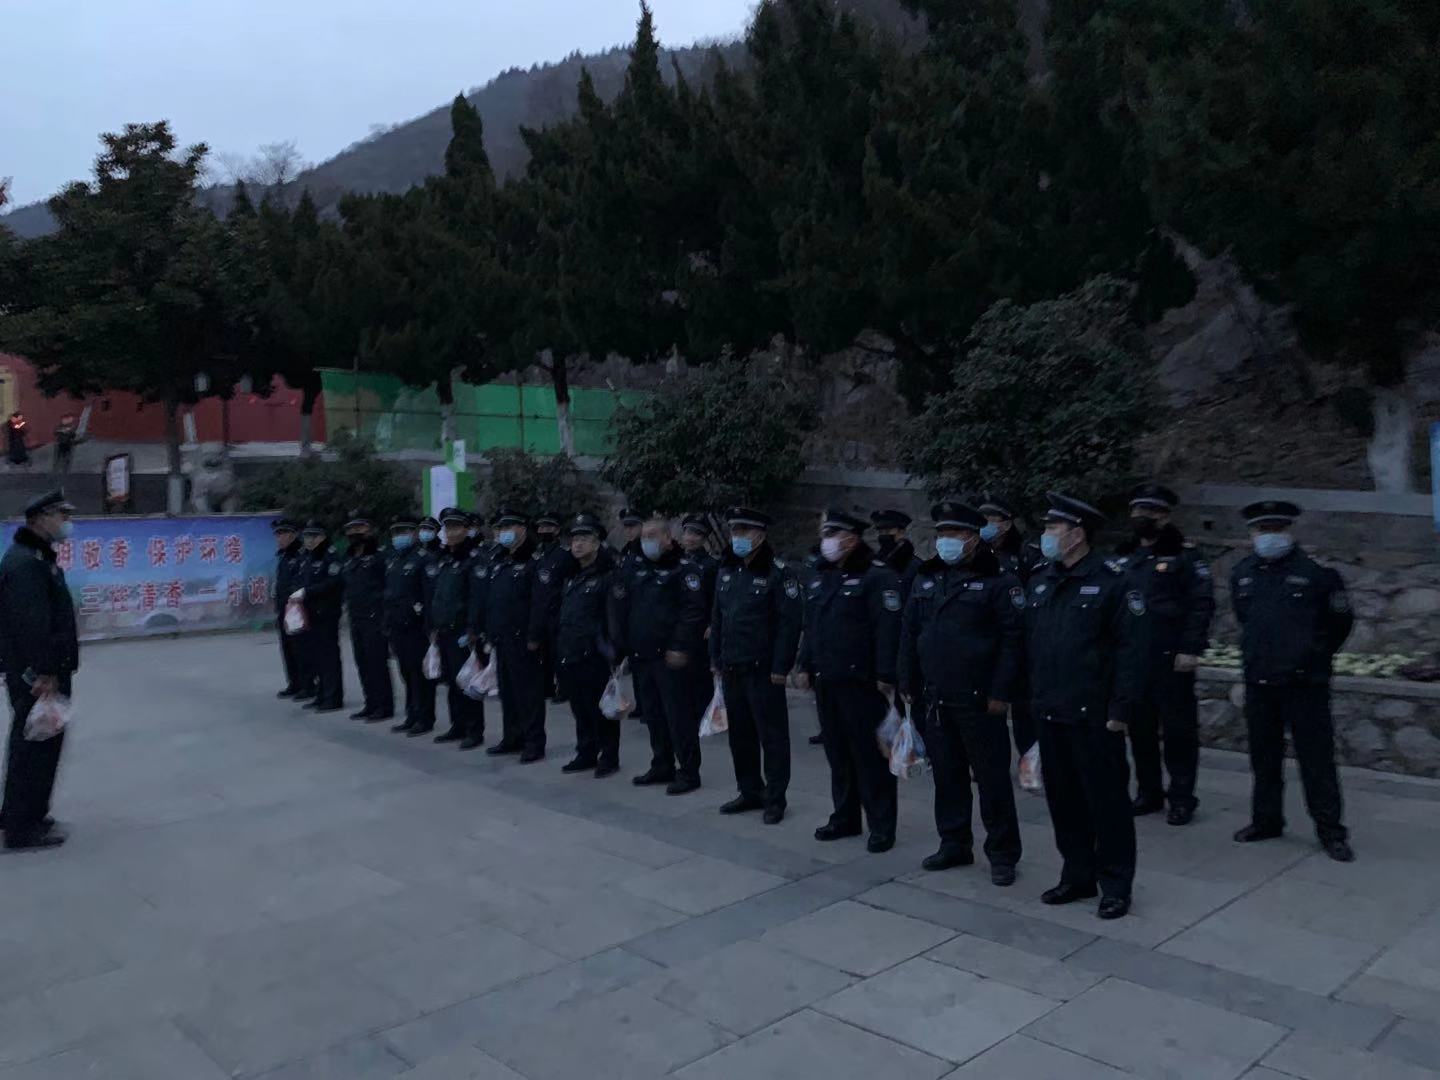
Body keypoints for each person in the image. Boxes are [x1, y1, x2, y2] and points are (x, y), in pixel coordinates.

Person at [1025, 492, 1146, 920]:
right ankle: (1077, 875)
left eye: (1052, 528)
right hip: (1051, 710)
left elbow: (1133, 651)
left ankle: (1115, 884)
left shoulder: (1114, 581)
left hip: (1095, 716)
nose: (1045, 535)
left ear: (1077, 535)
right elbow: (1032, 645)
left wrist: (1121, 710)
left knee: (1107, 804)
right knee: (1064, 802)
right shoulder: (1042, 580)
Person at [899, 501, 1025, 884]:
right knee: (947, 776)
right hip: (936, 697)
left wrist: (1001, 692)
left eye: (953, 534)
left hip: (979, 699)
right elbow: (910, 632)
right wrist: (907, 680)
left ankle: (1002, 853)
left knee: (991, 779)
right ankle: (954, 842)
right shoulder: (927, 578)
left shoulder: (998, 582)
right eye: (941, 533)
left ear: (972, 538)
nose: (945, 541)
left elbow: (1013, 641)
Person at [1230, 500, 1355, 862]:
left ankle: (1331, 831)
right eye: (1262, 530)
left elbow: (1340, 623)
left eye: (1276, 529)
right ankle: (1266, 820)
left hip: (1305, 684)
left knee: (1317, 761)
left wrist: (1313, 656)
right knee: (1264, 759)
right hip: (1260, 682)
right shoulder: (1242, 573)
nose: (1269, 536)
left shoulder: (1318, 575)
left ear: (1289, 531)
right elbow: (1246, 621)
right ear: (1251, 533)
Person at [797, 509, 902, 853]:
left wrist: (886, 675)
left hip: (862, 682)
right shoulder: (822, 575)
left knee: (869, 755)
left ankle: (881, 824)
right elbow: (812, 625)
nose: (826, 541)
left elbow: (887, 630)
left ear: (852, 539)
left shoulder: (877, 577)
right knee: (837, 753)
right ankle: (845, 816)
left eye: (833, 534)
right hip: (827, 678)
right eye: (825, 534)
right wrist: (804, 664)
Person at [1116, 483, 1215, 825]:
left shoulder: (1185, 556)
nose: (1142, 517)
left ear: (1164, 516)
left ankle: (1182, 797)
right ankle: (1149, 792)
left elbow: (1201, 604)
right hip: (1134, 658)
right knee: (1139, 730)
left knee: (1178, 731)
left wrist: (1190, 648)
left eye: (1150, 511)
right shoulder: (1125, 556)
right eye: (1138, 510)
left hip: (1171, 657)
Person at [710, 507, 803, 824]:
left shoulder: (779, 574)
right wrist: (715, 658)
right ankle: (749, 790)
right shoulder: (728, 570)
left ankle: (775, 798)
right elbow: (718, 618)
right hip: (732, 667)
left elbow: (789, 625)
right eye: (734, 531)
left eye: (744, 531)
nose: (737, 537)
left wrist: (781, 666)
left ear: (760, 536)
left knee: (772, 737)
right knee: (740, 736)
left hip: (763, 670)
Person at [0, 491, 79, 850]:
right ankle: (22, 828)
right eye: (61, 515)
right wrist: (45, 673)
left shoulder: (36, 558)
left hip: (41, 670)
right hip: (37, 675)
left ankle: (25, 813)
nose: (66, 522)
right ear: (40, 518)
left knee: (37, 742)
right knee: (35, 746)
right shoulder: (26, 564)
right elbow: (32, 625)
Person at [612, 514, 711, 795]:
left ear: (668, 538)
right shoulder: (636, 568)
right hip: (642, 655)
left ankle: (688, 771)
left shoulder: (685, 570)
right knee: (653, 715)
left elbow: (693, 612)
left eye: (653, 536)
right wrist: (622, 646)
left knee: (678, 716)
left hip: (670, 657)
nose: (647, 542)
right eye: (644, 537)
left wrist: (680, 646)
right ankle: (662, 764)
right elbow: (624, 606)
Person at [476, 506, 548, 762]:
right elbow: (492, 600)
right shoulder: (499, 559)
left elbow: (540, 604)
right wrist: (488, 632)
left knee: (528, 694)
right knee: (508, 692)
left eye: (509, 527)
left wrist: (534, 637)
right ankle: (512, 736)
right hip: (501, 637)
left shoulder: (534, 562)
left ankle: (534, 742)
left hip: (524, 639)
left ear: (522, 529)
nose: (504, 532)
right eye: (501, 528)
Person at [978, 494, 1042, 771]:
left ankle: (1030, 763)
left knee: (1024, 710)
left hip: (1020, 642)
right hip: (988, 643)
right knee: (990, 709)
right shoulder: (979, 553)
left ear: (1005, 524)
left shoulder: (1026, 554)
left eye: (990, 520)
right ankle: (991, 763)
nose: (985, 526)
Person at [555, 513, 621, 777]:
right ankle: (586, 751)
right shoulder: (572, 576)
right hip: (571, 652)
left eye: (584, 539)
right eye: (575, 539)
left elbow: (613, 619)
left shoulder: (607, 576)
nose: (578, 544)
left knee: (602, 708)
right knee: (580, 708)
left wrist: (613, 652)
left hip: (595, 654)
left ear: (597, 543)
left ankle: (609, 756)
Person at [428, 508, 483, 749]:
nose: (450, 532)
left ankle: (474, 729)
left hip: (462, 631)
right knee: (451, 681)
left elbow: (476, 598)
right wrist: (434, 626)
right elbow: (438, 596)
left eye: (455, 527)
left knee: (467, 681)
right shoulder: (445, 558)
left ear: (466, 530)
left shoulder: (473, 560)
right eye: (447, 528)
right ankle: (457, 725)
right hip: (444, 629)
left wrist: (472, 629)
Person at [384, 513, 437, 737]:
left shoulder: (424, 559)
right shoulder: (393, 559)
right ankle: (412, 715)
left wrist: (430, 627)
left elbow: (429, 596)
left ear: (414, 533)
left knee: (419, 674)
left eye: (404, 531)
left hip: (416, 627)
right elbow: (390, 594)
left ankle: (425, 718)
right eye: (396, 532)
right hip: (397, 625)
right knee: (406, 672)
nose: (399, 536)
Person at [342, 511, 394, 723]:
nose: (355, 532)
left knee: (377, 662)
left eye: (360, 527)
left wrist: (382, 612)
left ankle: (384, 705)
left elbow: (387, 587)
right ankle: (370, 702)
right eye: (351, 529)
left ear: (369, 530)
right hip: (356, 617)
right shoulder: (351, 557)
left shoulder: (380, 556)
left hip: (375, 617)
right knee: (362, 661)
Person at [295, 522, 345, 713]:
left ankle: (333, 697)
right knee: (317, 656)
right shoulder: (309, 557)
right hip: (311, 614)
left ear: (322, 537)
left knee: (328, 656)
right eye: (306, 537)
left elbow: (332, 584)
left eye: (312, 537)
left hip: (326, 613)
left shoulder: (330, 557)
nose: (308, 540)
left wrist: (307, 591)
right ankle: (322, 694)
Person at [534, 511, 574, 703]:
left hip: (557, 610)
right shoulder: (538, 554)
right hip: (540, 610)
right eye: (541, 527)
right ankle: (546, 686)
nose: (544, 530)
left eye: (548, 527)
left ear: (557, 530)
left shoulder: (564, 555)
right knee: (543, 653)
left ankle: (564, 688)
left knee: (558, 653)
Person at [272, 518, 309, 700]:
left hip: (296, 608)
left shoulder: (301, 555)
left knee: (300, 649)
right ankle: (294, 683)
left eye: (283, 534)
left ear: (293, 535)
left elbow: (300, 582)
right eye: (277, 534)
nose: (279, 538)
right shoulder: (284, 556)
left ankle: (307, 684)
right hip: (283, 608)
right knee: (287, 648)